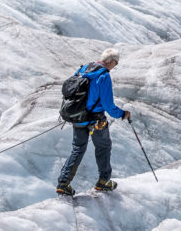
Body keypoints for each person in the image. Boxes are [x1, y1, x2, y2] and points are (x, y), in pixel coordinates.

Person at [56, 47, 130, 196]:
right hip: (95, 119)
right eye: (116, 64)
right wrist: (122, 114)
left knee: (78, 149)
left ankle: (63, 183)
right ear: (112, 62)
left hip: (78, 116)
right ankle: (103, 181)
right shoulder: (104, 76)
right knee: (103, 147)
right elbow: (108, 105)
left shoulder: (83, 69)